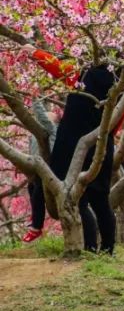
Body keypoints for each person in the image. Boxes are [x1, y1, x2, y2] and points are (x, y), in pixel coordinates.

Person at [23, 42, 124, 254]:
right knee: (100, 201)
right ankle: (108, 249)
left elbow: (58, 67)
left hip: (71, 145)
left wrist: (34, 52)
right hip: (100, 147)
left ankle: (88, 247)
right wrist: (104, 138)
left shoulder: (83, 75)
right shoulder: (120, 88)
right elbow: (118, 121)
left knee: (77, 199)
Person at [22, 99, 58, 242]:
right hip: (36, 168)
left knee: (38, 193)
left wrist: (34, 97)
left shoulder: (51, 129)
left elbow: (41, 116)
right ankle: (35, 218)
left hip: (48, 169)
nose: (45, 116)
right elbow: (31, 152)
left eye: (49, 115)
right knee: (31, 189)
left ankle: (37, 227)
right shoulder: (35, 134)